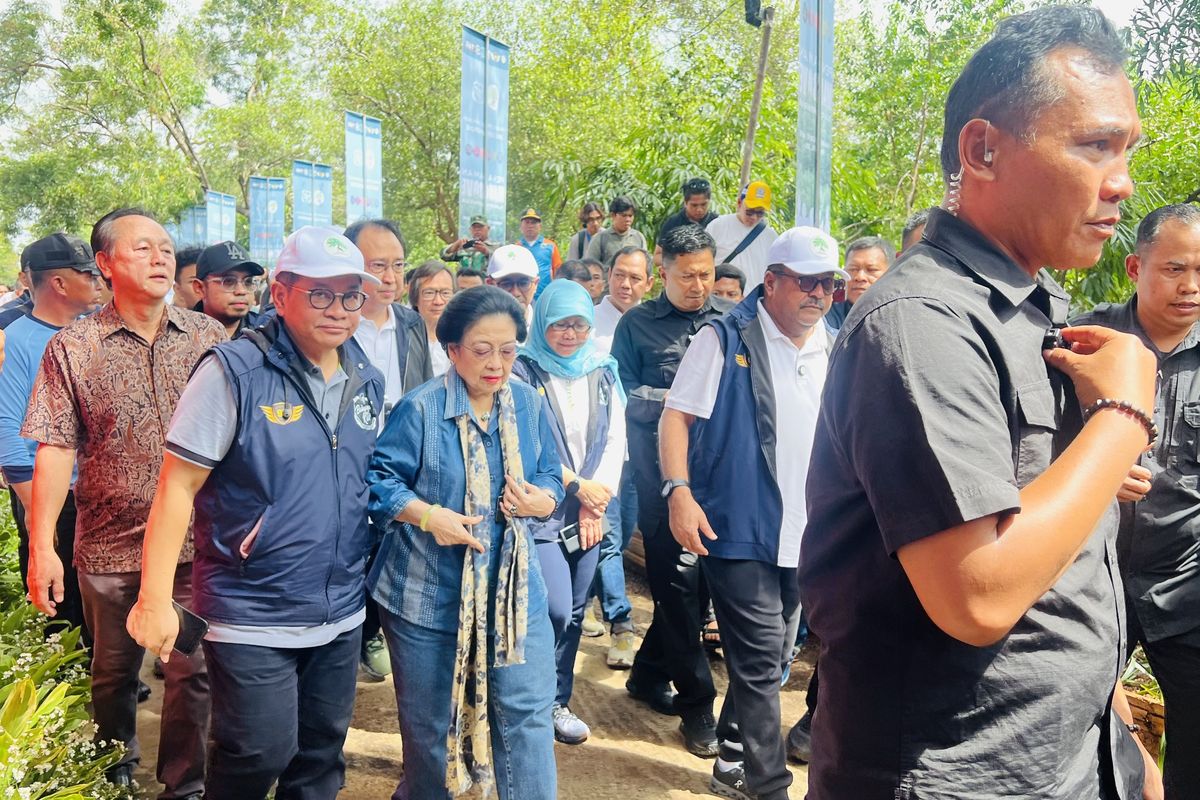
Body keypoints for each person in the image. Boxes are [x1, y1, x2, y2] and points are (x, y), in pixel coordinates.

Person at [798, 7, 1161, 799]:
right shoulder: (922, 321)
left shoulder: (1034, 308)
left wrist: (1123, 751)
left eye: (1127, 148)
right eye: (1095, 144)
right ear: (983, 149)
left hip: (1066, 759)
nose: (1122, 181)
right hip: (955, 775)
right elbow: (979, 592)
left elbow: (1069, 574)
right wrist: (1123, 419)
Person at [126, 225, 384, 799]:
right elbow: (176, 489)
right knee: (258, 750)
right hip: (251, 610)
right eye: (320, 293)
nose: (338, 310)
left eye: (350, 295)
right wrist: (153, 599)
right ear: (283, 292)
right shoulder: (233, 373)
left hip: (339, 607)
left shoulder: (366, 376)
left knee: (321, 753)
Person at [24, 208, 224, 796]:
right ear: (106, 264)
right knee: (113, 672)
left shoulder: (209, 339)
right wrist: (42, 549)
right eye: (143, 248)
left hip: (195, 545)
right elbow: (55, 450)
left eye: (166, 248)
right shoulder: (73, 348)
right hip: (109, 546)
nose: (161, 257)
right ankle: (112, 769)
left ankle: (184, 784)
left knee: (192, 672)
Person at [662, 227, 845, 800]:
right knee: (763, 662)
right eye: (806, 282)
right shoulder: (723, 337)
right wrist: (679, 491)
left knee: (775, 656)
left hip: (809, 532)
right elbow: (676, 418)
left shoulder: (834, 344)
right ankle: (769, 787)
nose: (818, 294)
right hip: (737, 525)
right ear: (772, 282)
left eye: (828, 284)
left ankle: (732, 756)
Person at [367, 285, 563, 799]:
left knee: (526, 718)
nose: (496, 363)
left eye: (508, 349)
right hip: (428, 595)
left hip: (514, 594)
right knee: (433, 730)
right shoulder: (422, 409)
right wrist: (430, 516)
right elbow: (379, 481)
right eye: (481, 350)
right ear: (452, 350)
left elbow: (549, 474)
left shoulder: (526, 401)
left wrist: (544, 498)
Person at [1073, 203, 1200, 800]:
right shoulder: (1083, 342)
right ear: (1134, 266)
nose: (1190, 286)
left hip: (1188, 586)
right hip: (1090, 580)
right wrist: (1094, 468)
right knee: (1070, 730)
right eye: (1175, 268)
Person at [611, 224, 732, 757]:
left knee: (696, 588)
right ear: (664, 271)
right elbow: (622, 391)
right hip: (659, 481)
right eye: (687, 276)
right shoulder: (636, 326)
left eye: (706, 274)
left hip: (716, 482)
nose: (698, 285)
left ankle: (646, 673)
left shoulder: (731, 324)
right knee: (680, 592)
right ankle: (698, 706)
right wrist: (683, 403)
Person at [512, 280, 627, 745]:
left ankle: (556, 701)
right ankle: (527, 696)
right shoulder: (523, 371)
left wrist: (597, 499)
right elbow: (526, 444)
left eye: (580, 323)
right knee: (553, 609)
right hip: (544, 509)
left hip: (592, 509)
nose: (570, 333)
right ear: (541, 322)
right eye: (560, 323)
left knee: (577, 612)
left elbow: (617, 439)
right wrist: (579, 489)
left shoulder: (602, 369)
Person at [346, 218, 433, 683]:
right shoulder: (336, 323)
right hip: (345, 457)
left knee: (392, 543)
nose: (391, 278)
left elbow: (420, 390)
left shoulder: (413, 323)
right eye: (377, 266)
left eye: (398, 266)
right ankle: (355, 633)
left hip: (398, 459)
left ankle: (378, 629)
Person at [4, 233, 102, 643]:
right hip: (43, 486)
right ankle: (66, 671)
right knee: (56, 589)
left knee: (94, 585)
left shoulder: (92, 334)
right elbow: (8, 429)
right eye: (89, 274)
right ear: (59, 283)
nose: (99, 282)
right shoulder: (16, 340)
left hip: (93, 488)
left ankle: (101, 668)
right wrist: (37, 512)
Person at [587, 245, 651, 663]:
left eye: (635, 278)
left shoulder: (653, 323)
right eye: (620, 275)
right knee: (610, 539)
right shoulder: (588, 320)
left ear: (649, 282)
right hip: (600, 450)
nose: (626, 285)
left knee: (624, 532)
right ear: (609, 275)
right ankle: (621, 624)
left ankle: (593, 593)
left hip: (639, 449)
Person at [705, 181, 779, 290]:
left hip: (752, 300)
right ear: (739, 203)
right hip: (721, 297)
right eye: (749, 212)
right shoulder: (718, 226)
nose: (754, 218)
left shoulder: (770, 237)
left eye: (760, 213)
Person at [191, 240, 266, 338]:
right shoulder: (181, 336)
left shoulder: (266, 332)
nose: (241, 291)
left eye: (248, 282)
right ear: (200, 288)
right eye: (228, 281)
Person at [823, 236, 895, 334]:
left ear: (890, 273)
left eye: (871, 270)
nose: (860, 277)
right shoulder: (826, 317)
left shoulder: (901, 316)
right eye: (853, 269)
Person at [655, 178, 718, 268]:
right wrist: (679, 261)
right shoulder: (673, 223)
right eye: (694, 205)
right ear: (685, 203)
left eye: (704, 204)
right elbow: (657, 257)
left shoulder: (717, 222)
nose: (699, 209)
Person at [409, 259, 455, 377]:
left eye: (445, 293)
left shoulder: (461, 337)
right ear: (415, 297)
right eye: (429, 293)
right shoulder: (403, 338)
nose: (438, 301)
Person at [488, 244, 539, 332]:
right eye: (506, 284)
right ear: (490, 285)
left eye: (523, 283)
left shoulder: (547, 327)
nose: (515, 293)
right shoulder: (477, 328)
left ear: (536, 284)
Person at [586, 196, 647, 267]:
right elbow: (591, 267)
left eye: (630, 216)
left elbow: (644, 265)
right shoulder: (600, 239)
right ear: (613, 215)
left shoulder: (639, 238)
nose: (628, 219)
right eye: (624, 215)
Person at [516, 208, 561, 300]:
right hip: (522, 296)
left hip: (545, 296)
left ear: (540, 226)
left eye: (533, 222)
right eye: (527, 222)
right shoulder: (516, 247)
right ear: (521, 226)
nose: (530, 226)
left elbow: (558, 271)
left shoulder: (550, 246)